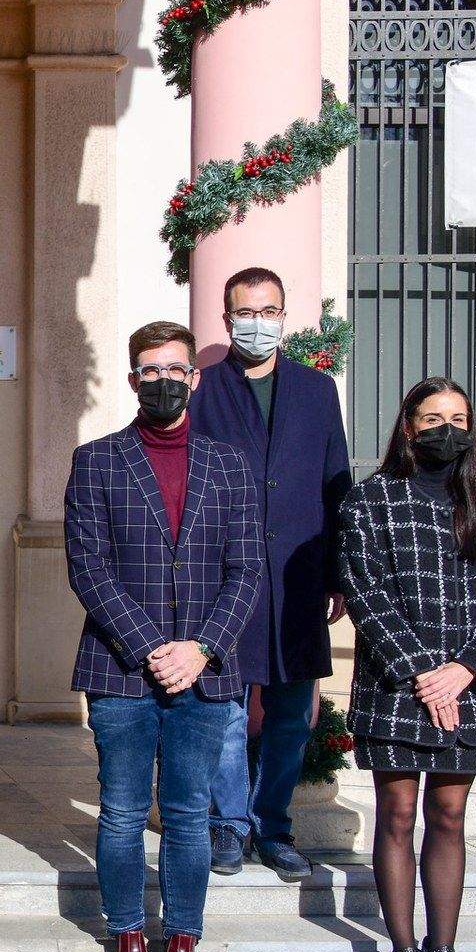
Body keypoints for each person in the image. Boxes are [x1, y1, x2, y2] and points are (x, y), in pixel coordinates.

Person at [65, 321, 261, 952]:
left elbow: (247, 570)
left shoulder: (229, 465)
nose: (163, 380)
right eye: (150, 370)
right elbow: (87, 567)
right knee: (121, 812)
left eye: (175, 369)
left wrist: (201, 647)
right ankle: (128, 946)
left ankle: (181, 950)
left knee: (186, 815)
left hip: (205, 672)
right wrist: (154, 645)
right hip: (121, 669)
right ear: (132, 379)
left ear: (194, 378)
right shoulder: (96, 461)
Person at [338, 377, 476, 952]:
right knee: (396, 815)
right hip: (398, 685)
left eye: (459, 418)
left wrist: (465, 670)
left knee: (448, 816)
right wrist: (424, 673)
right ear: (409, 426)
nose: (447, 429)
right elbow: (365, 591)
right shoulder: (371, 501)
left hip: (469, 688)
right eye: (433, 417)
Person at [188, 266, 353, 880]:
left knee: (290, 714)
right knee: (226, 710)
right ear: (227, 318)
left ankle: (273, 827)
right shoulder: (203, 389)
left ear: (284, 316)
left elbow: (336, 482)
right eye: (246, 312)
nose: (257, 323)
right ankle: (227, 826)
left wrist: (338, 574)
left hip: (298, 577)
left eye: (268, 311)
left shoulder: (316, 390)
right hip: (223, 578)